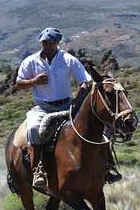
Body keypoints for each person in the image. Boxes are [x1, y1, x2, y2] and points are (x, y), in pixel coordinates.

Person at [16, 27, 122, 189]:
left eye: (50, 42)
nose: (46, 45)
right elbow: (19, 83)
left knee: (96, 129)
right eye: (44, 42)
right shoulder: (30, 61)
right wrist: (34, 82)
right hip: (43, 107)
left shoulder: (68, 59)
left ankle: (108, 167)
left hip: (67, 105)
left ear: (57, 43)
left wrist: (78, 99)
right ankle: (38, 170)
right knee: (33, 129)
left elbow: (85, 82)